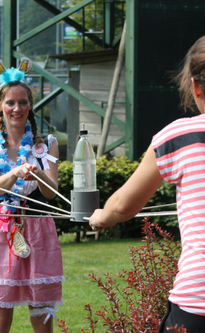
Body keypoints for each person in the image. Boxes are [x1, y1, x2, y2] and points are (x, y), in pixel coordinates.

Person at [89, 35, 205, 332]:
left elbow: (123, 206)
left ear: (195, 87)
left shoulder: (178, 138)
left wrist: (101, 215)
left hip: (196, 305)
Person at [0, 59, 63, 333]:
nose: (16, 109)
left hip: (39, 229)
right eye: (10, 102)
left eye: (22, 102)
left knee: (42, 317)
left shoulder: (47, 143)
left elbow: (51, 193)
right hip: (1, 230)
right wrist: (16, 172)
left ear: (30, 104)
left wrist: (38, 173)